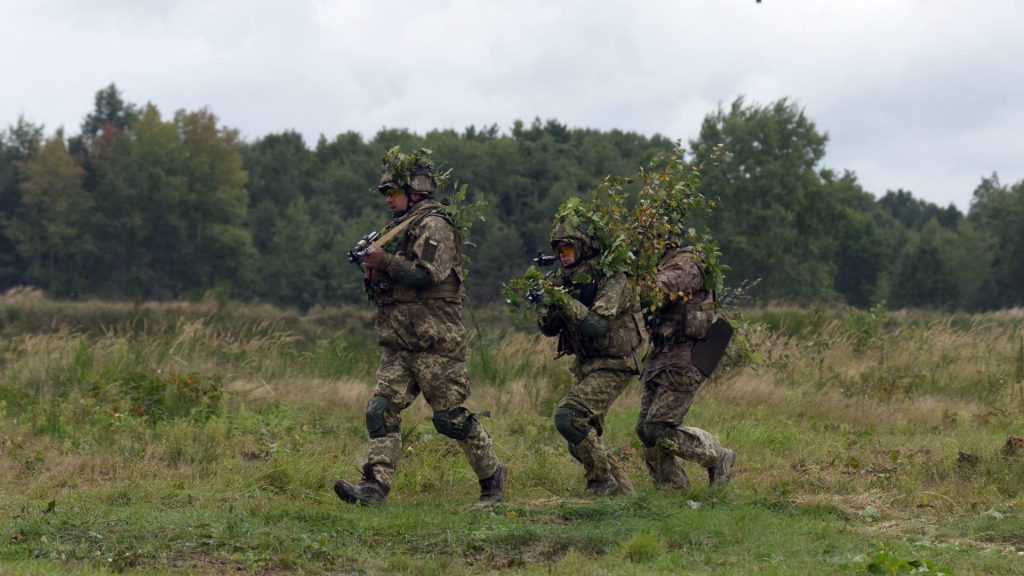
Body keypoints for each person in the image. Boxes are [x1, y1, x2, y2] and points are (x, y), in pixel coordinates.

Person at [334, 151, 506, 506]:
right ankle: (374, 488)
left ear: (416, 189)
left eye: (394, 191)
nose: (388, 199)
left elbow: (427, 274)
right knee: (380, 410)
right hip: (400, 342)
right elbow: (393, 285)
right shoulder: (398, 228)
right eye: (385, 193)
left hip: (435, 343)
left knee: (450, 420)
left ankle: (492, 479)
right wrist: (373, 270)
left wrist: (386, 261)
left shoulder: (434, 225)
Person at [536, 219, 648, 496]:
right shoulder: (567, 280)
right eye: (558, 249)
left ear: (584, 247)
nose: (561, 254)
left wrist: (563, 300)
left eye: (567, 248)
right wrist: (546, 303)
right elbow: (549, 329)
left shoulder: (613, 278)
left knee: (569, 418)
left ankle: (600, 482)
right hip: (586, 364)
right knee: (582, 440)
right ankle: (623, 495)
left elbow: (596, 326)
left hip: (614, 363)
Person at [635, 242, 736, 493]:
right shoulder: (658, 267)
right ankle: (673, 490)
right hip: (660, 358)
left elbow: (655, 294)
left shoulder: (684, 264)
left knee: (657, 428)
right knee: (645, 429)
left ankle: (717, 455)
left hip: (683, 360)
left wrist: (628, 284)